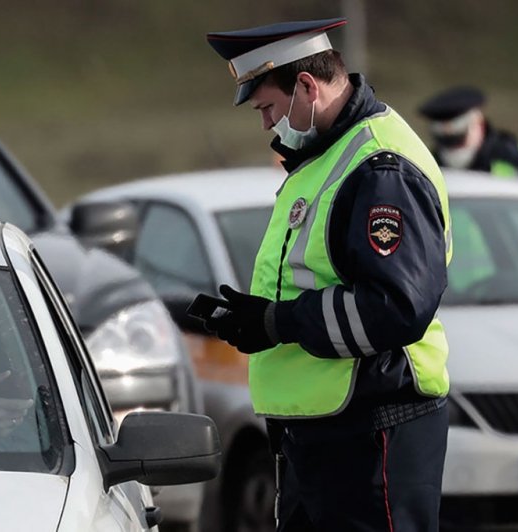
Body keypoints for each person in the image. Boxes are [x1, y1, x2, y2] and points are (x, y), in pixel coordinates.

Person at [202, 18, 451, 531]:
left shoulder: (380, 168)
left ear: (307, 87)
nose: (267, 124)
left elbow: (395, 307)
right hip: (323, 439)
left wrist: (278, 323)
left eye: (268, 107)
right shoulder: (324, 156)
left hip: (372, 434)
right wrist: (254, 319)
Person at [418, 85, 518, 186]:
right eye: (441, 132)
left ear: (478, 123)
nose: (452, 144)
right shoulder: (426, 168)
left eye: (459, 131)